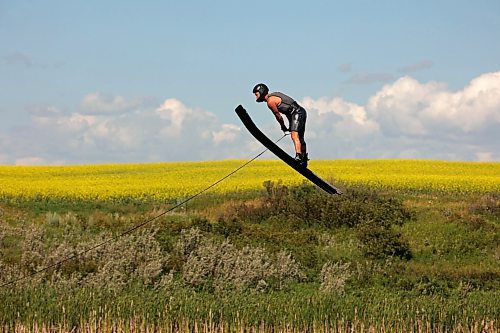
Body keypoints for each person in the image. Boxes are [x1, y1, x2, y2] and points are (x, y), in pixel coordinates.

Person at [253, 83, 309, 167]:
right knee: (299, 137)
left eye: (256, 94)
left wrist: (283, 127)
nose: (256, 97)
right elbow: (288, 109)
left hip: (297, 112)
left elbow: (278, 116)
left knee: (294, 135)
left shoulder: (270, 101)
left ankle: (299, 157)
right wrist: (290, 124)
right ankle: (303, 159)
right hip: (299, 112)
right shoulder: (274, 95)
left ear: (261, 92)